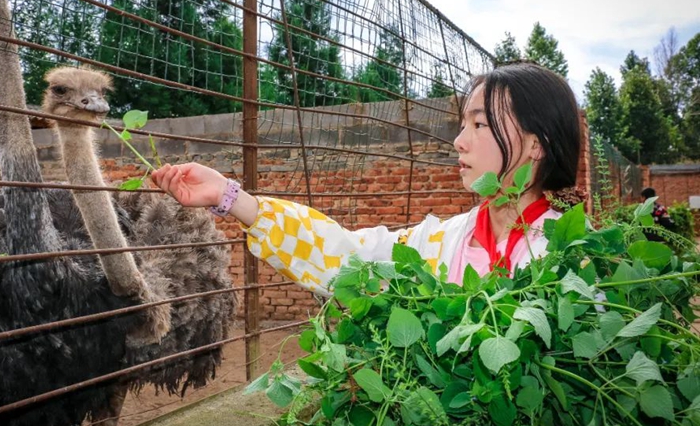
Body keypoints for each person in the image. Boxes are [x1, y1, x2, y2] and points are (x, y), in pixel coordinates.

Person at [152, 62, 581, 296]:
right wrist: (231, 197)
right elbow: (346, 256)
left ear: (536, 144)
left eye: (480, 124)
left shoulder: (574, 262)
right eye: (462, 125)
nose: (459, 141)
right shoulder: (441, 242)